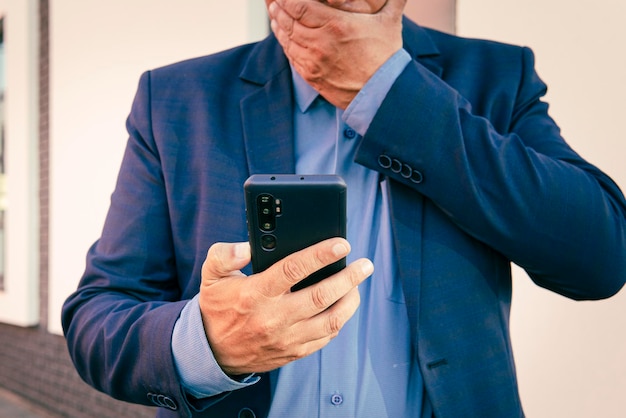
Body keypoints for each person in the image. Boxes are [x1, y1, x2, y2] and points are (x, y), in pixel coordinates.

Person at [61, 0, 626, 417]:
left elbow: (601, 257)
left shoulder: (495, 77)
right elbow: (96, 317)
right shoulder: (177, 98)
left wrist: (392, 92)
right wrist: (206, 343)